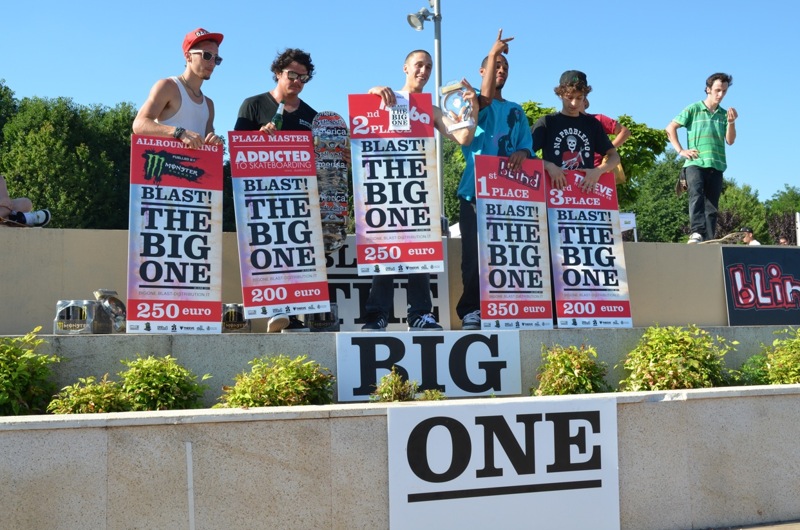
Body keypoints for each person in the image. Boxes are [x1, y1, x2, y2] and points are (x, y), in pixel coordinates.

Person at [361, 49, 479, 331]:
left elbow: (463, 136)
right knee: (385, 253)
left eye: (428, 66)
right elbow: (362, 114)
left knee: (420, 253)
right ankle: (377, 315)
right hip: (387, 190)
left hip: (418, 191)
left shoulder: (432, 109)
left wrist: (472, 108)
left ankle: (420, 315)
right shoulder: (385, 98)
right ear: (405, 67)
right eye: (418, 65)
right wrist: (373, 90)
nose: (423, 70)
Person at [234, 48, 319, 332]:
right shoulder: (253, 105)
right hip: (260, 198)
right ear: (278, 73)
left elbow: (319, 159)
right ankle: (275, 310)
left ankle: (293, 316)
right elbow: (236, 154)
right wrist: (257, 139)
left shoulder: (311, 115)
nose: (296, 80)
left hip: (298, 198)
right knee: (266, 252)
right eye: (291, 74)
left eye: (303, 77)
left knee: (296, 253)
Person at [456, 30, 533, 331]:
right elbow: (484, 99)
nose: (501, 70)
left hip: (509, 194)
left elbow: (525, 143)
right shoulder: (471, 98)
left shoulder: (516, 109)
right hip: (474, 191)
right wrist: (492, 51)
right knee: (473, 256)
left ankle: (506, 306)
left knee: (507, 252)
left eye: (505, 67)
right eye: (495, 66)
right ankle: (471, 310)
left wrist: (523, 153)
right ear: (483, 70)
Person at [666, 73, 737, 244]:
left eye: (724, 91)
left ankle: (709, 237)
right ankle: (696, 231)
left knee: (712, 204)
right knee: (696, 194)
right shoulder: (694, 108)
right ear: (708, 89)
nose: (720, 95)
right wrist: (681, 150)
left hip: (717, 164)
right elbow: (670, 128)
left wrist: (732, 123)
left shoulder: (723, 114)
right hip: (695, 163)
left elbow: (730, 140)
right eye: (717, 90)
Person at [132, 28, 225, 148]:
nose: (212, 63)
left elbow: (207, 145)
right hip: (164, 163)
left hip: (193, 166)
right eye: (206, 55)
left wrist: (214, 142)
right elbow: (139, 124)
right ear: (188, 56)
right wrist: (178, 132)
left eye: (217, 58)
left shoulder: (209, 105)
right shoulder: (168, 87)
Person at [531, 70, 621, 194]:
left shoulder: (592, 124)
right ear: (560, 95)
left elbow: (614, 156)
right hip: (554, 195)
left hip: (584, 196)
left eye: (579, 98)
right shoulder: (547, 122)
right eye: (569, 97)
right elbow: (525, 153)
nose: (574, 103)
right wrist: (548, 165)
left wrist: (598, 171)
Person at [583, 98, 630, 182]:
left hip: (598, 171)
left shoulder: (598, 119)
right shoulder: (562, 122)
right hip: (570, 171)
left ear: (585, 101)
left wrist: (608, 149)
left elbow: (625, 132)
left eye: (578, 98)